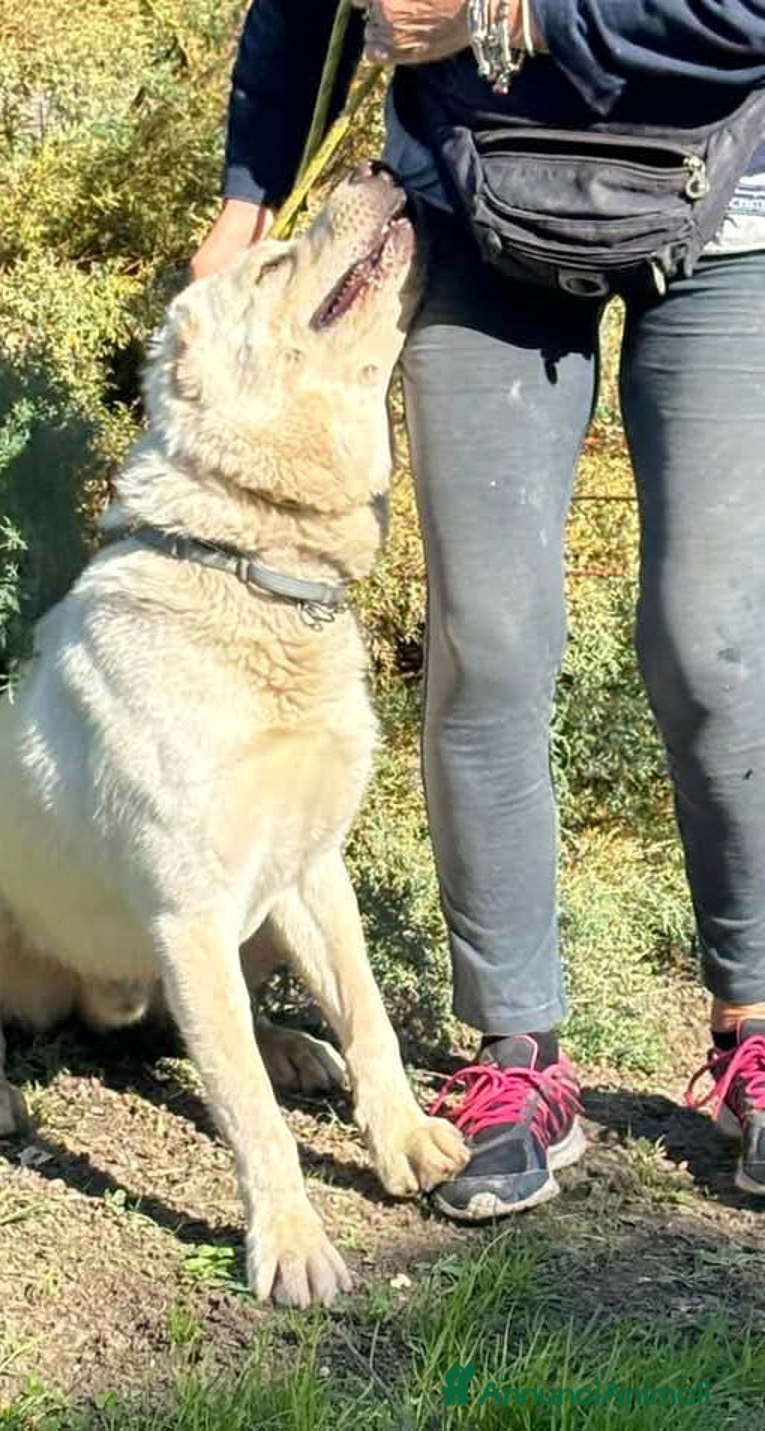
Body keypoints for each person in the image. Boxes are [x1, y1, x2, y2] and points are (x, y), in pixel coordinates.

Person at [192, 0, 765, 1221]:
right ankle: (517, 1055)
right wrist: (247, 202)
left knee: (712, 643)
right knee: (486, 643)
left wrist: (507, 19)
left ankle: (753, 1027)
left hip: (734, 204)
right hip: (471, 204)